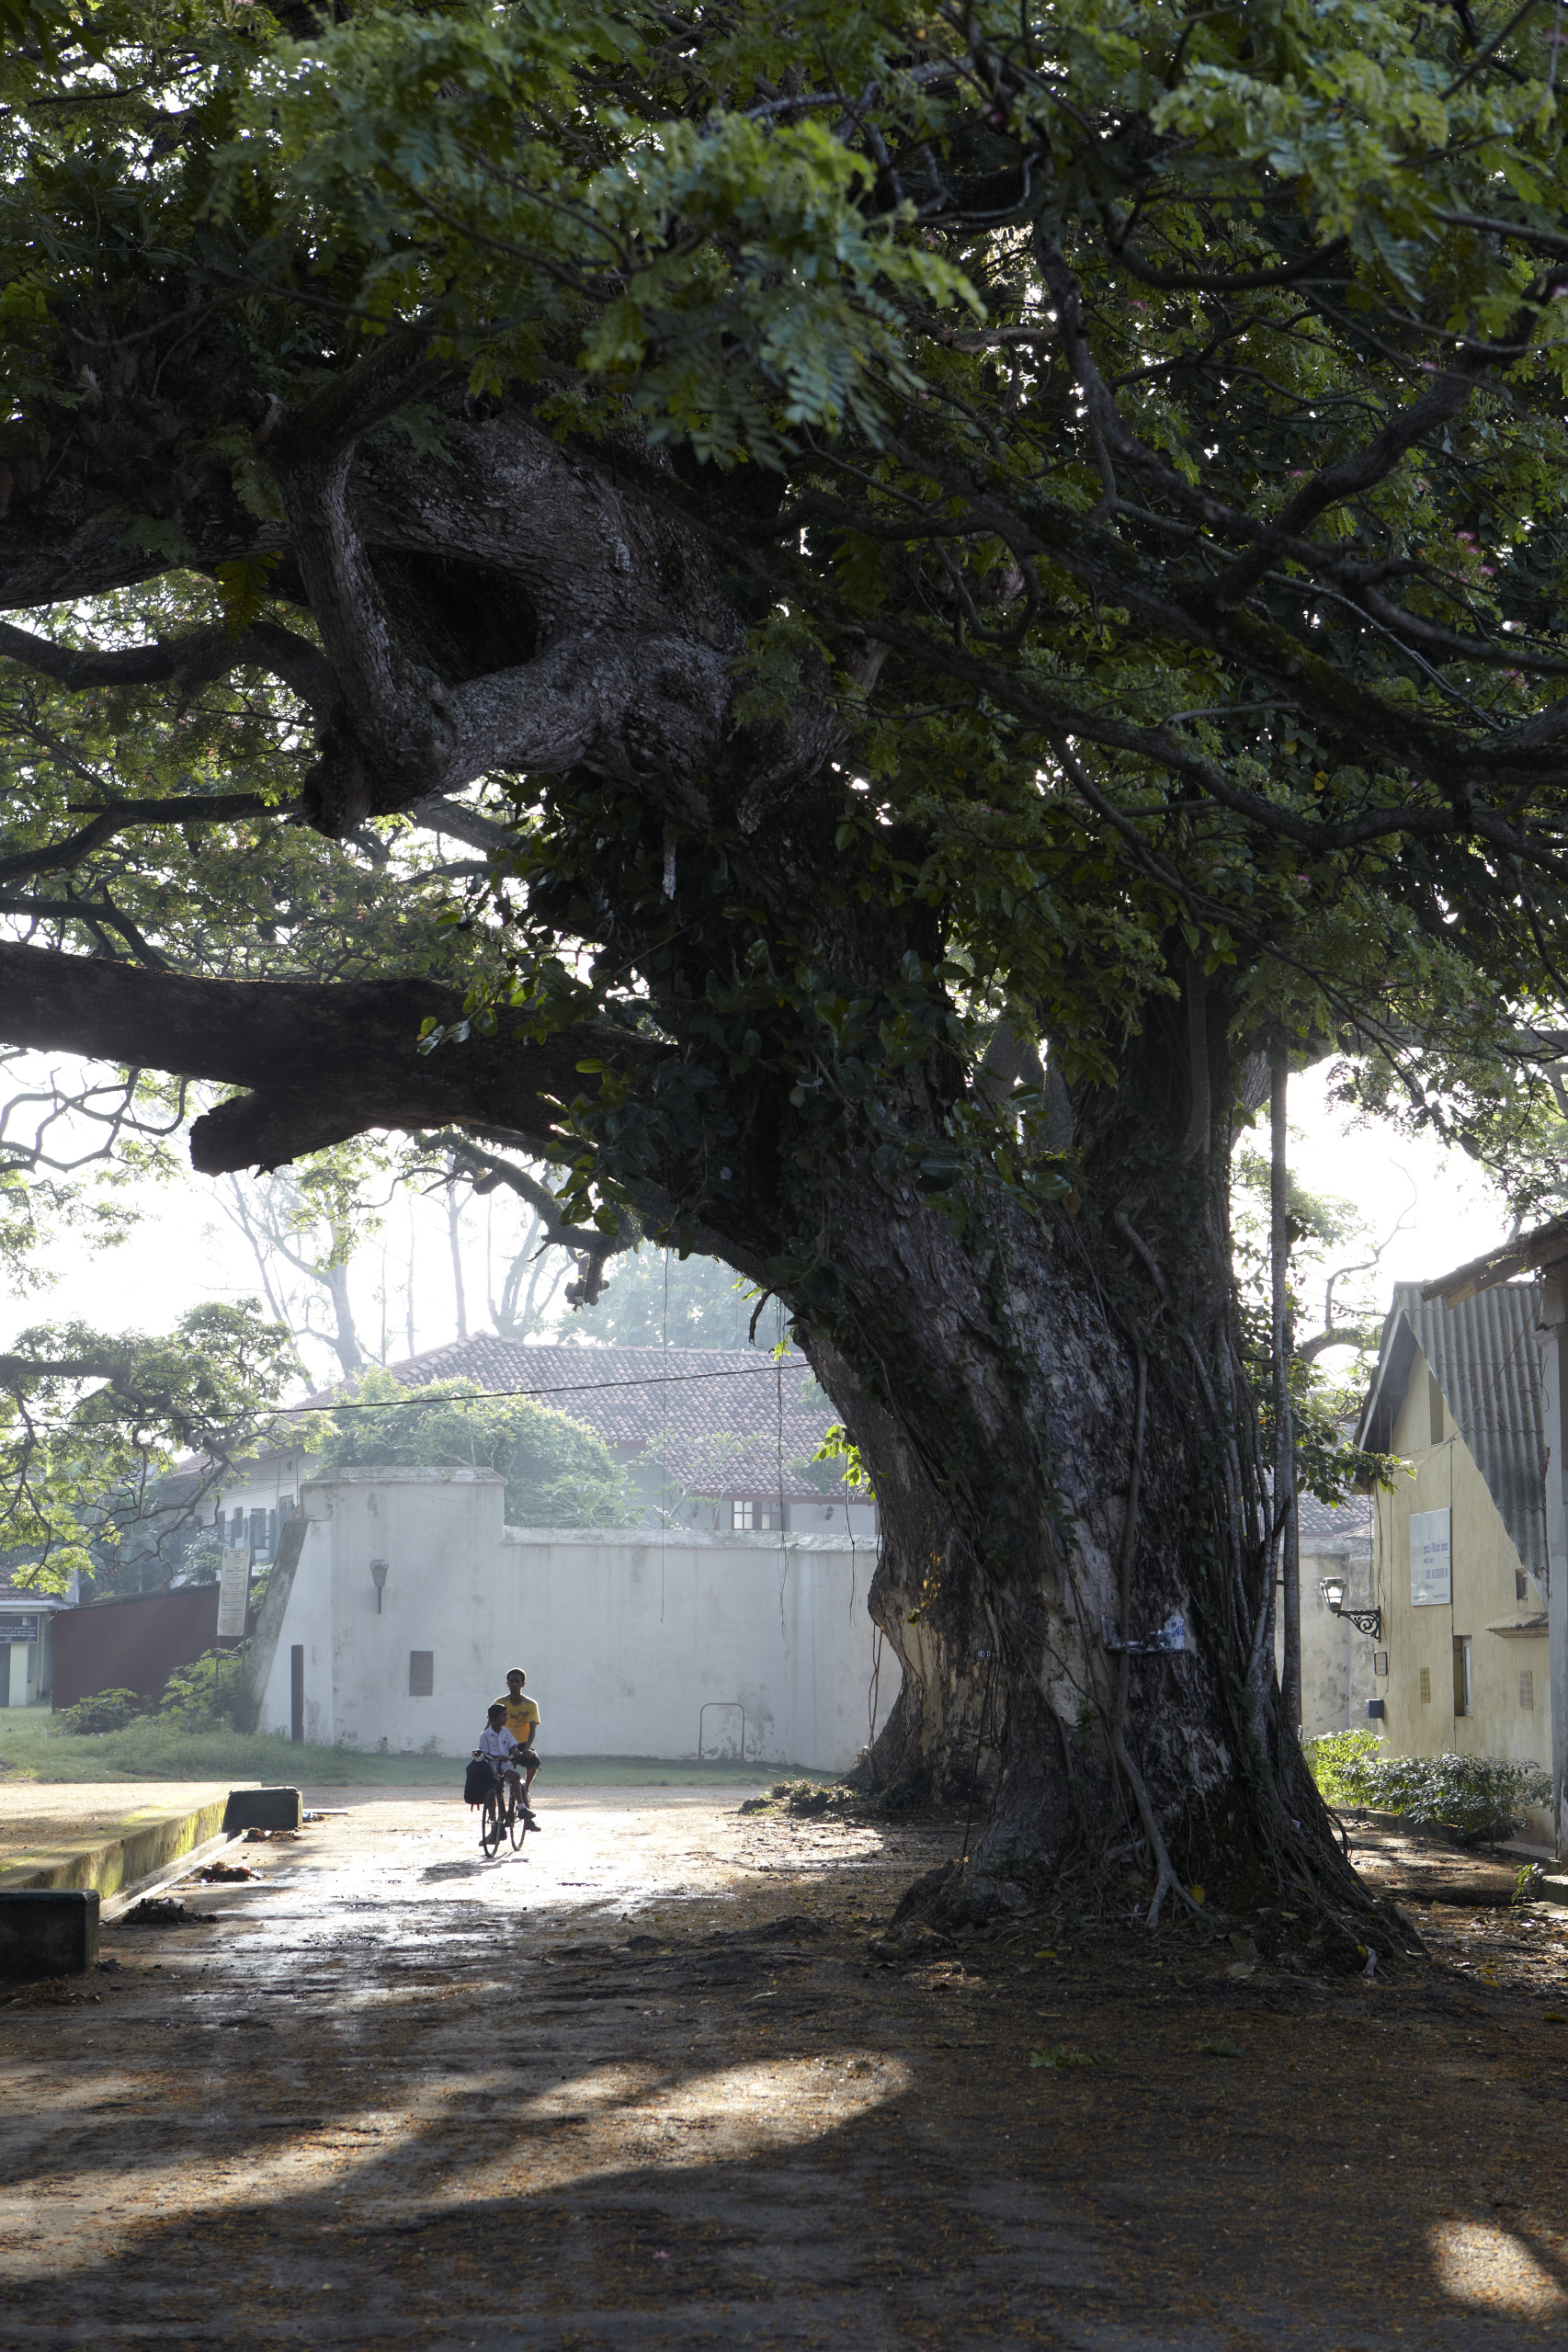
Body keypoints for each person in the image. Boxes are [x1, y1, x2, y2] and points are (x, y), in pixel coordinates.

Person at [494, 1667, 541, 1825]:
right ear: (507, 1683)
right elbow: (489, 1727)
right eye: (511, 1681)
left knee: (533, 1761)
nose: (514, 1684)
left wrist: (527, 1748)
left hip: (521, 1745)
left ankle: (525, 1789)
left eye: (517, 1681)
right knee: (496, 1781)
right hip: (502, 1744)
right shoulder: (500, 1703)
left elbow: (533, 1729)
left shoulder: (530, 1705)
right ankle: (498, 1822)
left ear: (523, 1684)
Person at [474, 1703, 522, 1815]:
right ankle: (493, 1821)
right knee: (492, 1790)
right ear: (494, 1719)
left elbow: (513, 1745)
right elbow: (485, 1754)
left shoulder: (506, 1732)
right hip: (491, 1766)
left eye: (506, 1715)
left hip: (505, 1764)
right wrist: (498, 1757)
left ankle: (521, 1807)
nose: (505, 1718)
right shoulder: (485, 1735)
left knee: (516, 1777)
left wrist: (515, 1750)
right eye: (503, 1716)